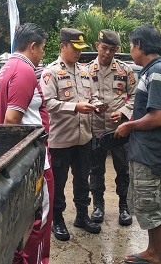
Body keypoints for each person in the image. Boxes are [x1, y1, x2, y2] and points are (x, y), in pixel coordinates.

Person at [0, 23, 54, 264]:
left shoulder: (4, 69)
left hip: (17, 161)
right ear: (33, 46)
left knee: (19, 220)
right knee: (40, 218)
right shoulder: (25, 70)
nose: (42, 55)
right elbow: (12, 120)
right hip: (34, 161)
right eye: (42, 49)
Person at [114, 25, 161, 264]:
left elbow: (158, 116)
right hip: (148, 152)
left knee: (153, 209)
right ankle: (153, 252)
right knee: (148, 206)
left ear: (140, 45)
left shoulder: (157, 72)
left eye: (131, 45)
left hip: (149, 154)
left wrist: (128, 126)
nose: (130, 50)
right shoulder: (158, 70)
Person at [40, 28, 105, 242]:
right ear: (62, 47)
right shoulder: (50, 73)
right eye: (74, 48)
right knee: (59, 182)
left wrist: (97, 105)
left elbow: (92, 96)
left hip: (83, 137)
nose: (78, 53)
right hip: (61, 139)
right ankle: (57, 220)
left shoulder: (85, 71)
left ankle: (82, 216)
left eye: (80, 49)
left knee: (82, 179)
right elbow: (47, 103)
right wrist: (75, 107)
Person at [87, 29, 136, 226]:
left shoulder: (125, 70)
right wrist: (93, 105)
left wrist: (124, 111)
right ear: (97, 46)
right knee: (96, 169)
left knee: (123, 170)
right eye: (104, 48)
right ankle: (98, 206)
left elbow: (135, 97)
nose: (107, 53)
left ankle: (124, 207)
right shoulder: (86, 71)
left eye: (111, 49)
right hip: (95, 128)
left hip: (119, 130)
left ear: (117, 49)